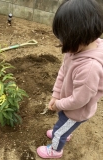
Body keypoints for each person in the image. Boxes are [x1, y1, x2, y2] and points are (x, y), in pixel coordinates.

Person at [37, 0, 103, 159]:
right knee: (62, 123)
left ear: (79, 37)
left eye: (63, 39)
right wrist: (56, 94)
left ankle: (55, 150)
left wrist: (59, 104)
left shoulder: (89, 68)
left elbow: (79, 101)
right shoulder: (75, 49)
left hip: (77, 111)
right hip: (68, 104)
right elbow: (63, 71)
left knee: (60, 129)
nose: (61, 43)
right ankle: (63, 131)